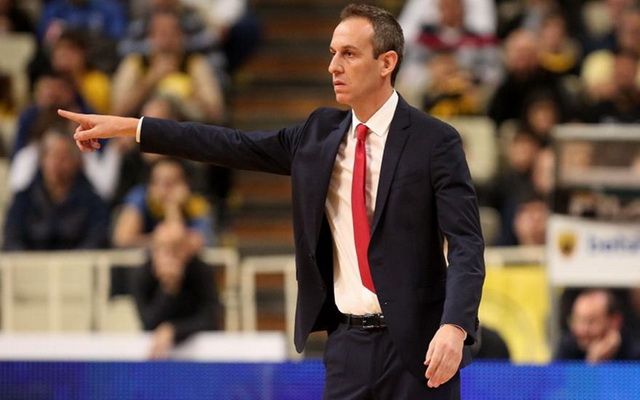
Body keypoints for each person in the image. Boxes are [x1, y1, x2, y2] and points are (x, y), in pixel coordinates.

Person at [59, 4, 485, 398]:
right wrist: (134, 127)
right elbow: (229, 144)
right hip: (347, 345)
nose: (333, 66)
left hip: (421, 345)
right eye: (332, 53)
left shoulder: (435, 141)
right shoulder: (318, 134)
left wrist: (455, 325)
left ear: (386, 63)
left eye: (349, 54)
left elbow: (466, 243)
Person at [2, 127, 109, 250]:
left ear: (76, 161)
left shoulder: (93, 202)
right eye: (52, 155)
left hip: (76, 261)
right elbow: (11, 239)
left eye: (63, 157)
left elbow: (96, 241)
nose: (57, 163)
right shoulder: (23, 199)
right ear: (42, 159)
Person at [133, 221, 221, 359]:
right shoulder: (143, 274)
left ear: (186, 249)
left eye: (175, 248)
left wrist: (174, 330)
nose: (169, 256)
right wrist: (168, 289)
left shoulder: (200, 270)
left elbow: (211, 318)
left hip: (200, 354)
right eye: (162, 249)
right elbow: (148, 323)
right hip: (157, 353)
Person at [555, 288, 640, 362]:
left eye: (591, 322)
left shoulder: (633, 351)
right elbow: (555, 374)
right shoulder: (568, 346)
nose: (582, 330)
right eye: (578, 321)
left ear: (615, 321)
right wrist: (592, 362)